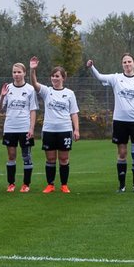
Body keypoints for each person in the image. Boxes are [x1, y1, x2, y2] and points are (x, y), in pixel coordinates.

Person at [87, 53, 134, 192]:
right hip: (120, 121)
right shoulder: (116, 78)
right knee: (122, 153)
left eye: (129, 61)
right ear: (122, 64)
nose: (127, 64)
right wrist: (92, 67)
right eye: (124, 62)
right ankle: (122, 186)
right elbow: (99, 77)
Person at [29, 57, 80, 193]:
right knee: (50, 158)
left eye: (57, 76)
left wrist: (76, 129)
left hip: (65, 130)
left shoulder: (69, 94)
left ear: (63, 78)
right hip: (49, 130)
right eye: (53, 76)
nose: (54, 78)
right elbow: (34, 84)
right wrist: (32, 70)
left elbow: (74, 113)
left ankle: (64, 185)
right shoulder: (47, 91)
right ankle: (50, 185)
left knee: (63, 158)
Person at [0, 62, 38, 192]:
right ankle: (11, 184)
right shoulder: (8, 88)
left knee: (26, 156)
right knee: (11, 155)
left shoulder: (30, 89)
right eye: (14, 72)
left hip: (24, 127)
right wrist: (2, 96)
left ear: (24, 73)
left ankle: (26, 184)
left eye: (19, 72)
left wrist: (31, 128)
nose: (16, 75)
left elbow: (33, 110)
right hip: (10, 128)